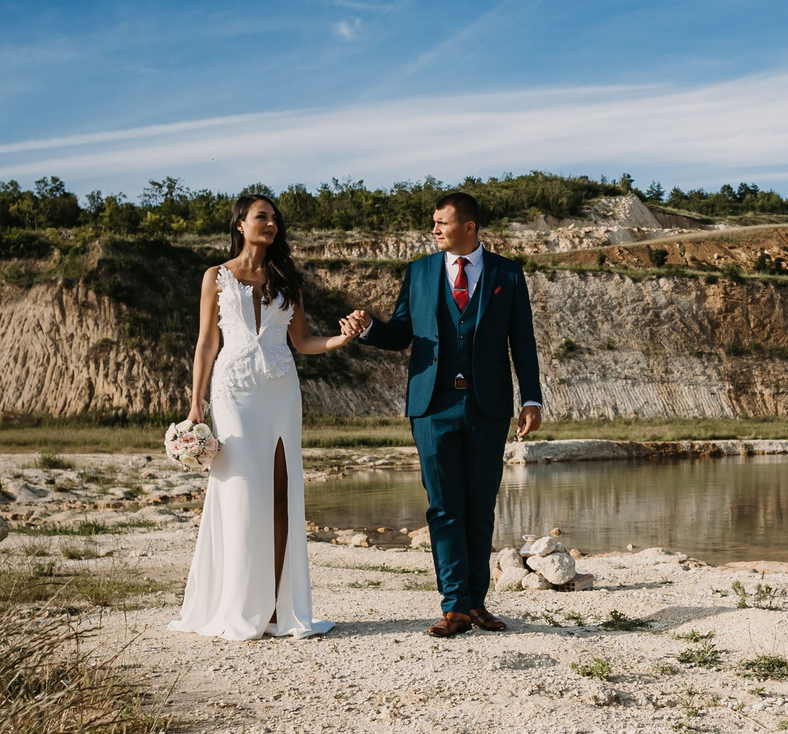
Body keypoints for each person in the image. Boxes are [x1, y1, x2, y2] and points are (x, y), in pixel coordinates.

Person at [338, 190, 543, 637]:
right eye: (433, 222)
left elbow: (521, 341)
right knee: (444, 508)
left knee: (481, 508)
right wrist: (370, 329)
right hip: (431, 407)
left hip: (488, 408)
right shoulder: (420, 272)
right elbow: (400, 334)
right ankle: (454, 607)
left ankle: (476, 603)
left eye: (441, 223)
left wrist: (532, 399)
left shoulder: (507, 273)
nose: (434, 230)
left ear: (468, 226)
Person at [170, 193, 357, 640]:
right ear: (240, 224)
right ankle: (237, 605)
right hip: (233, 390)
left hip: (280, 391)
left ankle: (277, 608)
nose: (270, 224)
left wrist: (339, 341)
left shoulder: (286, 278)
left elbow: (304, 341)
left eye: (274, 218)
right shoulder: (216, 276)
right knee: (239, 495)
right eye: (261, 217)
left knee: (279, 495)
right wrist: (196, 403)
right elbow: (205, 344)